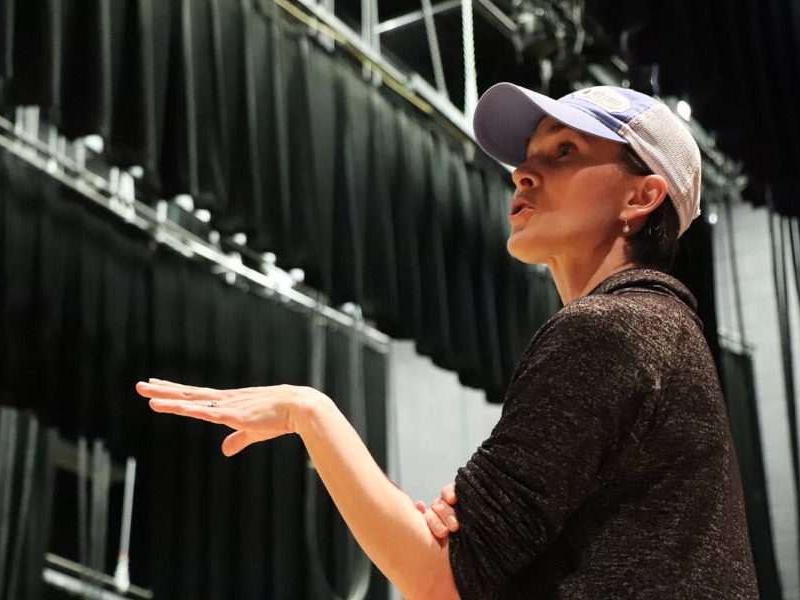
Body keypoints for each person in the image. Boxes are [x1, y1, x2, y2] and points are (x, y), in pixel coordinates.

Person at [137, 83, 759, 599]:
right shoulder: (655, 329)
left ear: (642, 196)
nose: (524, 173)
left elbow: (437, 578)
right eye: (527, 157)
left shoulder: (611, 330)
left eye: (564, 150)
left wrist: (310, 412)